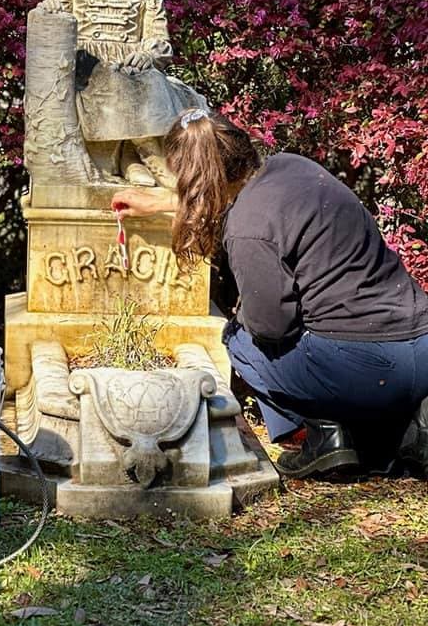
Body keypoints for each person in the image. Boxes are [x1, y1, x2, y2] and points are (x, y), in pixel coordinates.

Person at [111, 107, 428, 479]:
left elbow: (271, 328)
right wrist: (168, 204)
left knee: (240, 340)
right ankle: (413, 423)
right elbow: (263, 209)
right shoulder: (292, 166)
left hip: (365, 370)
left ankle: (322, 436)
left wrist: (243, 312)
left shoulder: (247, 228)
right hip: (421, 346)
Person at [38, 0, 205, 188]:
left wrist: (147, 52)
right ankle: (143, 154)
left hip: (130, 62)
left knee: (151, 81)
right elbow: (53, 16)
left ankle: (139, 156)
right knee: (111, 79)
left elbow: (158, 36)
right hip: (85, 65)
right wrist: (50, 8)